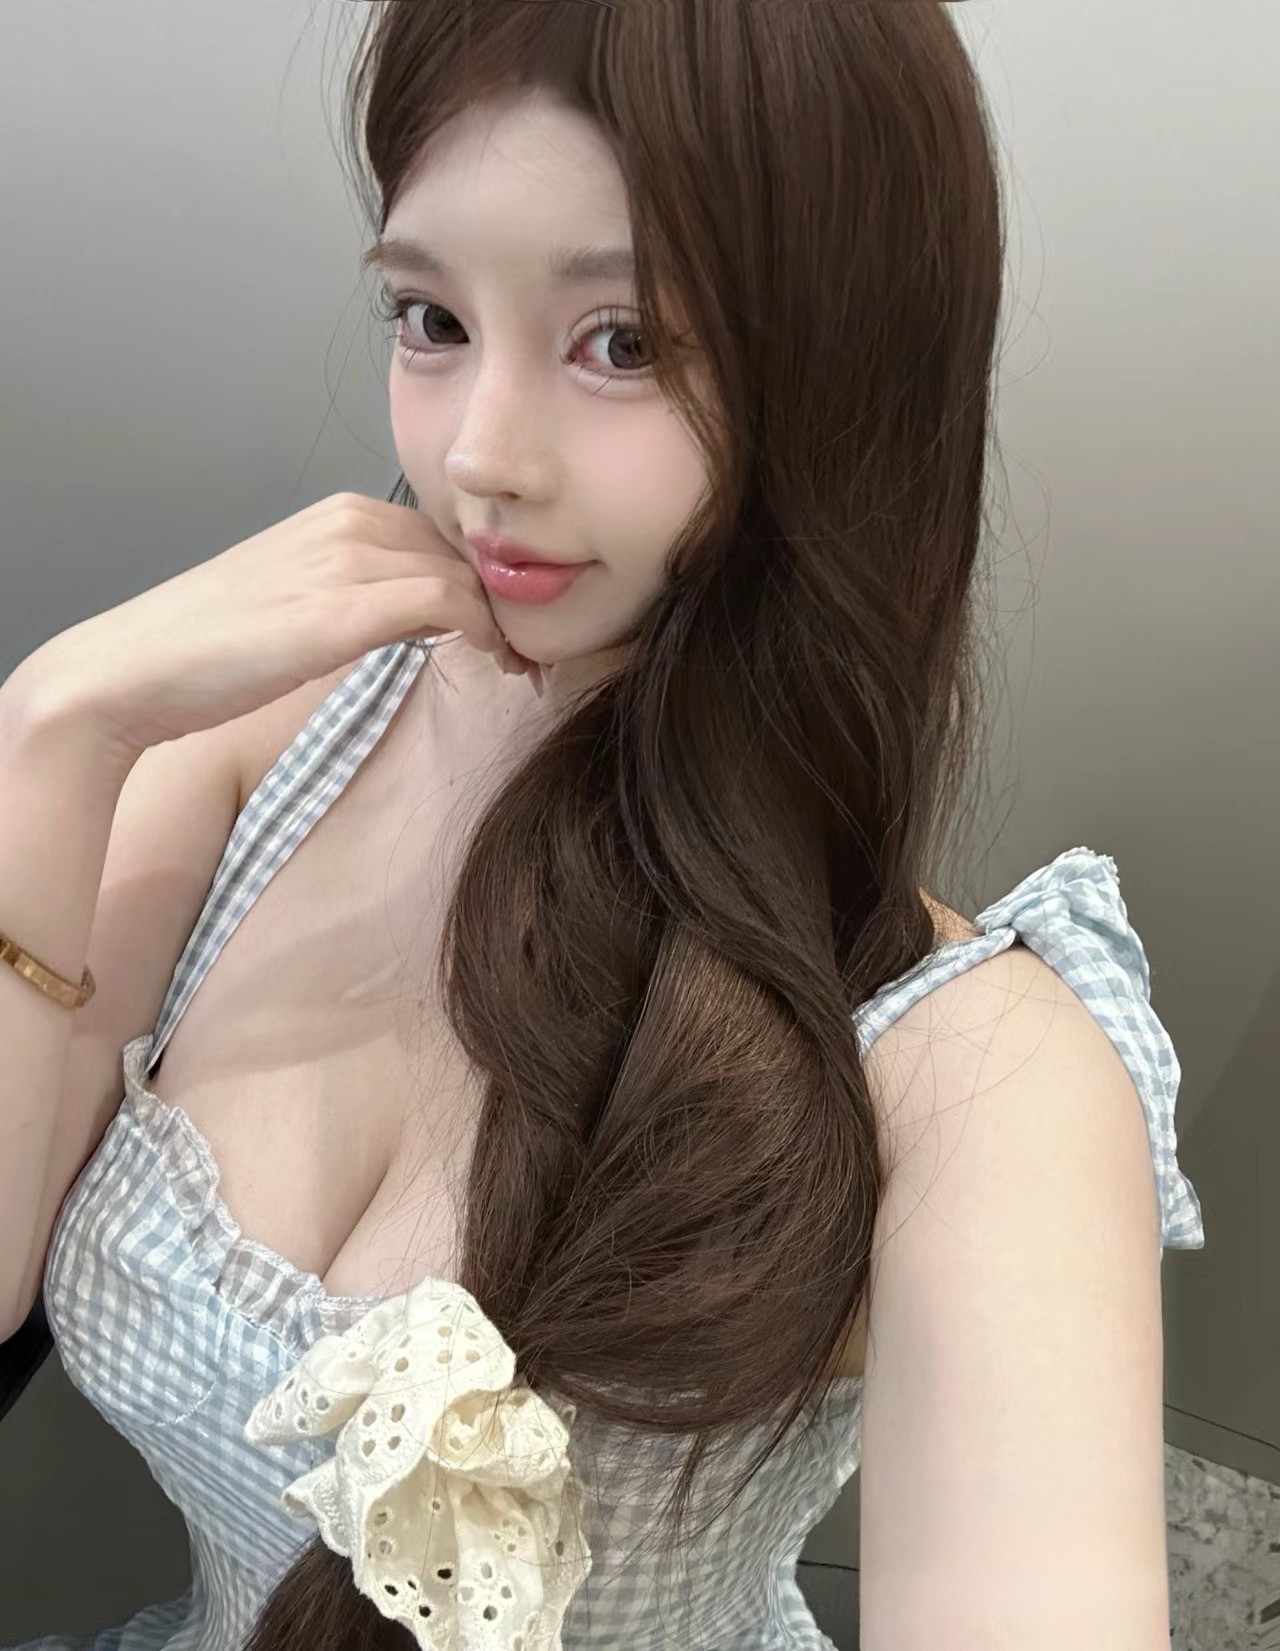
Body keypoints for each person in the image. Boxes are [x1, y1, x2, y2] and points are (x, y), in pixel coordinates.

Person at [0, 3, 1205, 1649]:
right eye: (430, 317)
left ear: (841, 375)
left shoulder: (976, 1070)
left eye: (624, 342)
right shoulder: (261, 736)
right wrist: (52, 734)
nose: (479, 458)